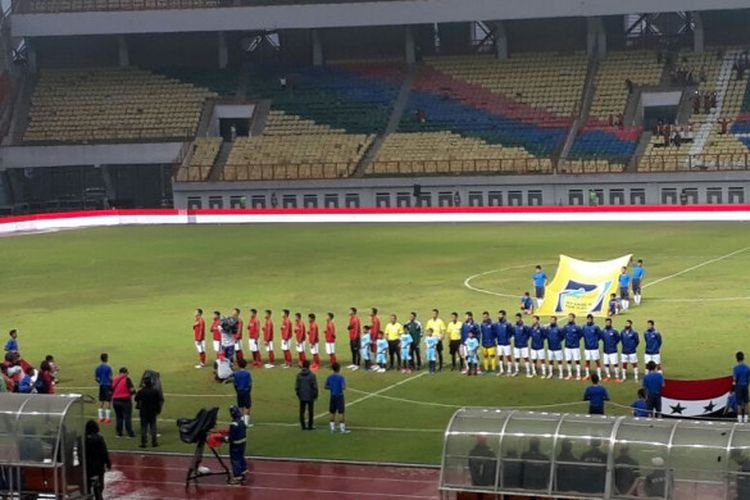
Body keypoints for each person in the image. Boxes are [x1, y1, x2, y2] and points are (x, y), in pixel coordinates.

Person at [85, 420, 111, 500]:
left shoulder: (83, 438)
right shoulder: (99, 438)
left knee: (88, 485)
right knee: (99, 487)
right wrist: (108, 462)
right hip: (98, 466)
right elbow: (104, 452)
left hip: (87, 466)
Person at [135, 377, 162, 448]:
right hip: (153, 411)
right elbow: (159, 400)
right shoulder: (155, 391)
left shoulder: (141, 391)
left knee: (144, 427)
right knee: (153, 427)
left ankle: (143, 443)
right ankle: (154, 442)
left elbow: (136, 399)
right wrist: (158, 410)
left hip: (143, 411)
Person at [225, 406, 248, 483]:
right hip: (243, 444)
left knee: (235, 460)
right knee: (241, 457)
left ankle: (237, 476)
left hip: (235, 445)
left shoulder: (234, 424)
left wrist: (224, 439)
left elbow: (232, 437)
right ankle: (243, 470)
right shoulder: (241, 422)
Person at [111, 367, 136, 438]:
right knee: (127, 417)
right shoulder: (127, 379)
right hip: (125, 401)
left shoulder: (115, 379)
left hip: (115, 400)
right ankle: (130, 433)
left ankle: (119, 433)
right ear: (125, 373)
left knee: (119, 417)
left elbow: (111, 389)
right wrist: (132, 393)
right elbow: (132, 390)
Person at [325, 363, 349, 433]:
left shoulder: (330, 377)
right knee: (341, 412)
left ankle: (332, 428)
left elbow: (326, 386)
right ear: (339, 369)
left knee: (332, 412)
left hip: (332, 396)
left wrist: (332, 387)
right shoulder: (341, 377)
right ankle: (342, 429)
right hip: (339, 396)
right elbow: (343, 387)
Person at [295, 360, 318, 430]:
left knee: (302, 411)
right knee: (310, 411)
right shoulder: (312, 375)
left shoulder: (299, 375)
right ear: (309, 366)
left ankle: (303, 426)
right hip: (310, 395)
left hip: (302, 395)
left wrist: (299, 394)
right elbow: (315, 386)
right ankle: (310, 426)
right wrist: (315, 395)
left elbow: (297, 387)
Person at [563, 313, 583, 380]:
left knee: (577, 360)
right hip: (567, 346)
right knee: (568, 360)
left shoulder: (577, 327)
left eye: (571, 317)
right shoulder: (565, 326)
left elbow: (580, 335)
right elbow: (563, 334)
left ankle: (578, 375)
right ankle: (569, 374)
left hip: (575, 346)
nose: (569, 318)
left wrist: (575, 340)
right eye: (568, 317)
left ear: (574, 318)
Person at [582, 315, 602, 380]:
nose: (589, 320)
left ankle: (599, 375)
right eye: (588, 319)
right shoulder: (584, 327)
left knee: (597, 361)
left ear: (592, 319)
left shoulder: (596, 327)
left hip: (594, 347)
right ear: (587, 319)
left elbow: (600, 335)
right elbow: (583, 335)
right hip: (587, 347)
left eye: (590, 319)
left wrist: (595, 341)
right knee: (587, 361)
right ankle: (587, 375)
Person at [233, 359, 253, 427]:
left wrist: (237, 391)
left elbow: (235, 384)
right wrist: (249, 391)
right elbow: (250, 384)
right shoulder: (247, 373)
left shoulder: (236, 374)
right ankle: (246, 423)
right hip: (246, 391)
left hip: (239, 391)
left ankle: (241, 422)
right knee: (247, 407)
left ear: (238, 365)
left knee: (240, 406)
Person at [511, 313, 531, 377]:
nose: (517, 319)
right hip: (516, 345)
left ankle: (528, 372)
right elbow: (513, 334)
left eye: (518, 318)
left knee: (526, 358)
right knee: (517, 358)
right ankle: (516, 371)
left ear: (520, 318)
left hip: (524, 345)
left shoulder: (525, 326)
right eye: (516, 318)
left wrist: (525, 339)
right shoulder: (514, 326)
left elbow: (528, 334)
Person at [95, 353, 113, 424]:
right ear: (107, 358)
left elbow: (96, 378)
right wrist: (112, 383)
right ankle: (107, 418)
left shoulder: (98, 367)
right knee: (108, 401)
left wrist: (100, 382)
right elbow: (110, 377)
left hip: (101, 385)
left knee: (102, 400)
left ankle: (100, 417)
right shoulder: (108, 367)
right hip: (108, 385)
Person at [733, 351, 750, 424]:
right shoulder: (747, 368)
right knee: (746, 402)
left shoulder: (735, 368)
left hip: (738, 387)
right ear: (743, 358)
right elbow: (748, 378)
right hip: (745, 386)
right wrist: (746, 385)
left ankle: (740, 419)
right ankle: (746, 418)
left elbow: (734, 380)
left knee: (739, 403)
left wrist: (733, 389)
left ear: (736, 359)